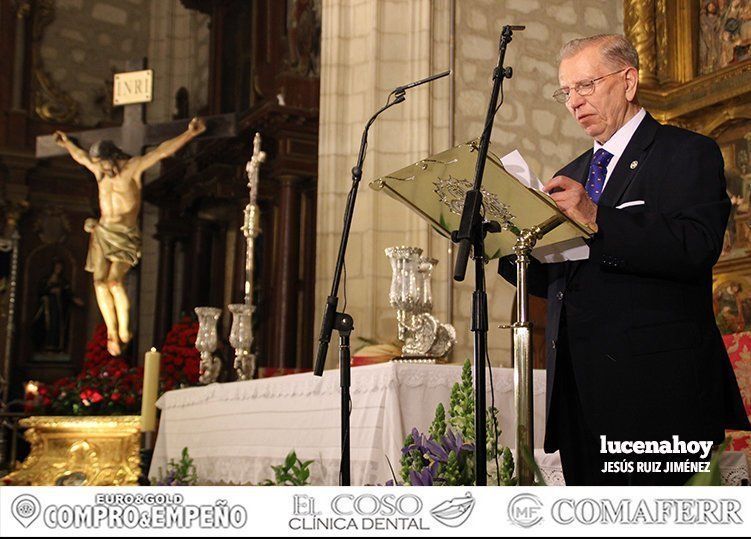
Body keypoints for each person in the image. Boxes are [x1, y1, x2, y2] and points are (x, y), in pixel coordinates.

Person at [499, 34, 750, 485]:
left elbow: (696, 246)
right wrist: (509, 237)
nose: (574, 102)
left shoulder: (686, 153)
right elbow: (556, 280)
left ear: (629, 81)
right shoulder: (570, 173)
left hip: (659, 394)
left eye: (587, 85)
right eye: (566, 91)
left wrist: (596, 216)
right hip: (577, 394)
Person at [55, 117, 207, 356]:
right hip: (103, 232)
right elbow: (81, 157)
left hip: (125, 234)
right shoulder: (100, 172)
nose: (102, 169)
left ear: (114, 157)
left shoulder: (133, 168)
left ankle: (124, 330)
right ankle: (112, 334)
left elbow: (161, 152)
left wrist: (189, 134)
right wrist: (66, 144)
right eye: (99, 164)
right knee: (98, 283)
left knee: (114, 281)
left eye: (104, 163)